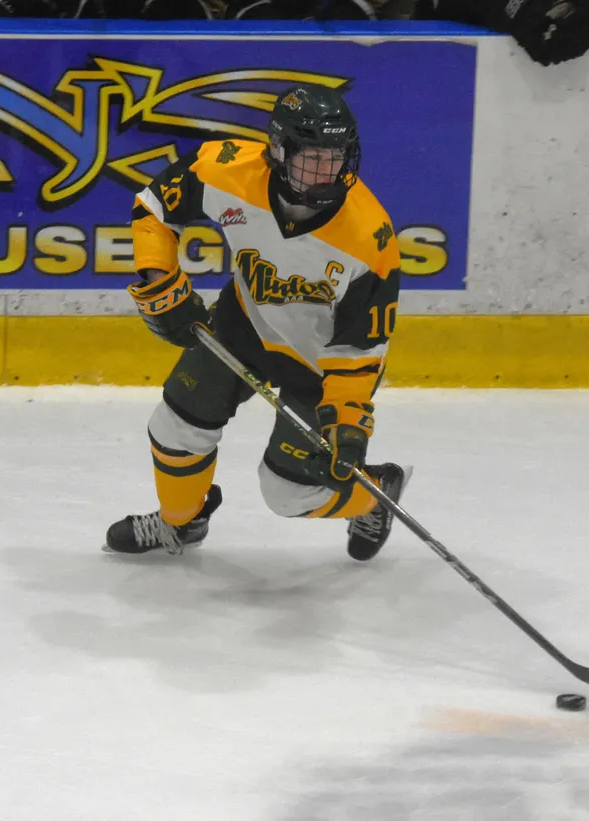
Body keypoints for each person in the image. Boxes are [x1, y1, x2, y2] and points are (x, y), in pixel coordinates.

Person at [103, 85, 409, 561]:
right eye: (313, 158)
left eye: (337, 157)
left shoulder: (371, 238)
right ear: (279, 152)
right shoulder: (225, 169)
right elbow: (154, 208)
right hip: (242, 328)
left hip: (318, 368)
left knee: (287, 494)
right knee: (174, 428)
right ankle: (180, 524)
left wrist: (348, 424)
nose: (328, 171)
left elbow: (361, 348)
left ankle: (374, 492)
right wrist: (161, 281)